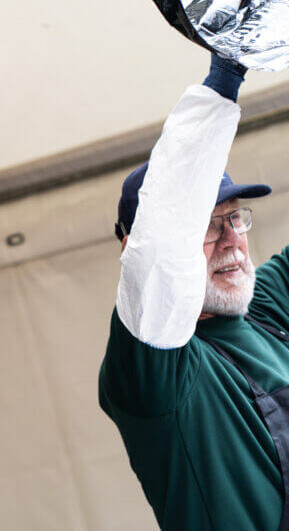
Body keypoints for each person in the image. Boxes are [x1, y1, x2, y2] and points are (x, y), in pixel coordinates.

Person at [98, 53, 289, 530]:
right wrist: (227, 70)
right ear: (130, 247)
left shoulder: (265, 309)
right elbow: (161, 253)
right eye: (205, 225)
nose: (231, 240)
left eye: (234, 217)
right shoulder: (156, 370)